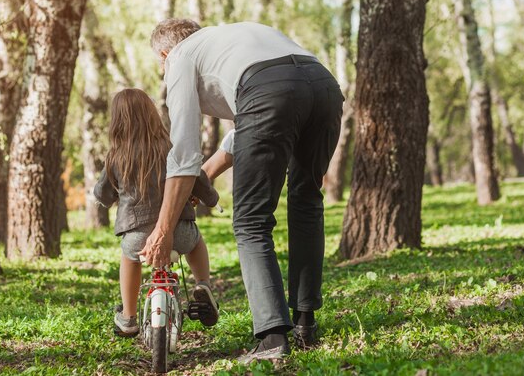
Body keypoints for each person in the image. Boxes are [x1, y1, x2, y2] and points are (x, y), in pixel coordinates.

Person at [139, 20, 343, 362]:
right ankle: (306, 324)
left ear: (164, 53)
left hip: (270, 92)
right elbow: (249, 125)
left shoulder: (180, 58)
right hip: (323, 86)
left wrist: (162, 230)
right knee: (306, 201)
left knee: (251, 220)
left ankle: (272, 338)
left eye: (161, 65)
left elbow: (184, 152)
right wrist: (205, 176)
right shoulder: (228, 39)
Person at [93, 88, 220, 337]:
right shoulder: (171, 148)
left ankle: (128, 316)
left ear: (117, 120)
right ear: (152, 114)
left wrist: (111, 197)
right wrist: (211, 198)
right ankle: (203, 284)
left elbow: (103, 194)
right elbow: (197, 177)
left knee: (129, 258)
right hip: (179, 230)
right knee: (195, 243)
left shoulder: (116, 156)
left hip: (136, 236)